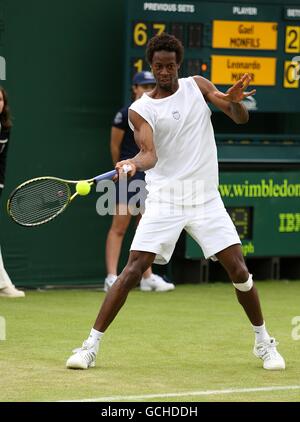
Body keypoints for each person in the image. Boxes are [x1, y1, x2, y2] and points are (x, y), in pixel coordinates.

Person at [66, 33, 285, 370]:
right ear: (150, 67)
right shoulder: (141, 109)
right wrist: (132, 163)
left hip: (205, 199)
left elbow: (237, 116)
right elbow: (149, 155)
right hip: (166, 200)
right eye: (158, 66)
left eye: (170, 66)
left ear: (178, 65)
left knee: (239, 270)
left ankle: (263, 341)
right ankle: (89, 346)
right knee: (133, 270)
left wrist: (237, 101)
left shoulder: (197, 86)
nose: (164, 72)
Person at [104, 70, 175, 293]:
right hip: (127, 176)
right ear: (134, 88)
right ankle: (112, 277)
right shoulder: (125, 113)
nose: (147, 89)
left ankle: (147, 277)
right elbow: (115, 146)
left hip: (151, 177)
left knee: (146, 227)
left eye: (150, 85)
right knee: (119, 227)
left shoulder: (158, 112)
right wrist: (122, 169)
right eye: (143, 86)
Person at [0, 86, 25, 298]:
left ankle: (2, 285)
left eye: (0, 100)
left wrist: (0, 185)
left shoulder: (4, 127)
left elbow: (2, 160)